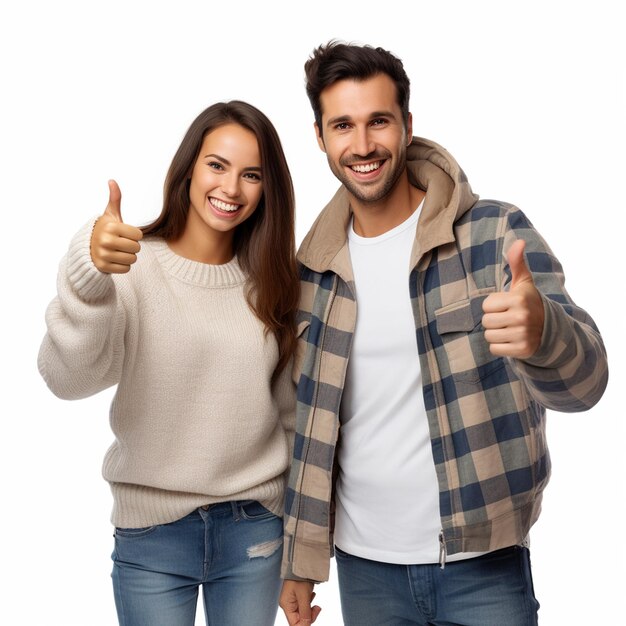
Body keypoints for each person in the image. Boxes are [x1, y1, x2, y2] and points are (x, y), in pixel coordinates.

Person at [279, 41, 608, 626]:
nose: (362, 145)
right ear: (320, 136)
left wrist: (543, 334)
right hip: (364, 569)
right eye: (342, 126)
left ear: (407, 125)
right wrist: (299, 561)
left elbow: (586, 386)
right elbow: (304, 427)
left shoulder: (493, 233)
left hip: (483, 566)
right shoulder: (314, 271)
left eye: (378, 120)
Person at [38, 100, 299, 626]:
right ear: (189, 169)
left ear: (268, 188)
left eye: (252, 174)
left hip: (256, 529)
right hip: (152, 535)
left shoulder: (275, 284)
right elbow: (65, 380)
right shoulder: (131, 266)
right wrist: (89, 278)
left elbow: (293, 418)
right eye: (217, 165)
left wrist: (304, 549)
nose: (231, 188)